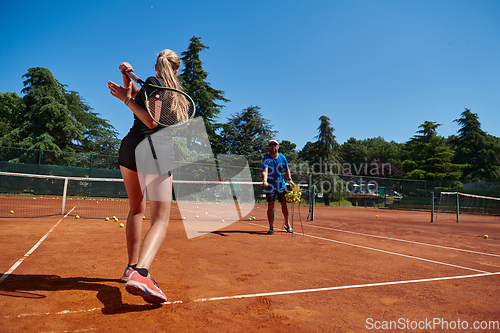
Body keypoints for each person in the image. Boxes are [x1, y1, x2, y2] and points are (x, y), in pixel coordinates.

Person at [107, 49, 184, 304]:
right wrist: (126, 79)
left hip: (131, 149)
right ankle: (141, 273)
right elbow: (152, 122)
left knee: (136, 209)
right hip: (155, 150)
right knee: (160, 219)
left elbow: (141, 108)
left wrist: (125, 95)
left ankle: (131, 267)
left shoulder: (153, 84)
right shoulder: (176, 96)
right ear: (176, 69)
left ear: (155, 66)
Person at [261, 140, 295, 235]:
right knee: (271, 206)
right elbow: (265, 171)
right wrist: (265, 180)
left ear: (278, 146)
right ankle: (271, 228)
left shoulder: (282, 157)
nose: (273, 146)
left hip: (281, 186)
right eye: (271, 145)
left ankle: (287, 224)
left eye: (274, 145)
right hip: (270, 187)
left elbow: (286, 169)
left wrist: (290, 179)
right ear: (269, 147)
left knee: (284, 204)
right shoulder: (266, 159)